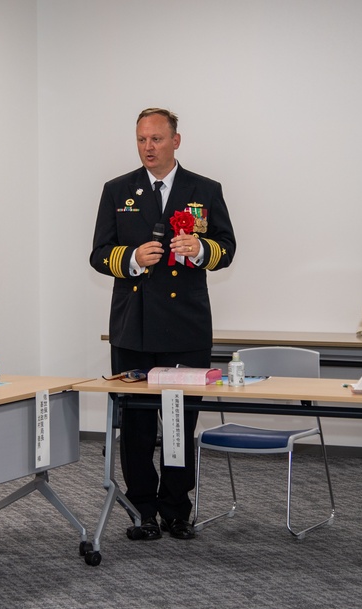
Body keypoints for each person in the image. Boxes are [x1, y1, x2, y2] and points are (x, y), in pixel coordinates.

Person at [89, 108, 236, 540]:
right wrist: (132, 259)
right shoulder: (118, 190)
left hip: (184, 328)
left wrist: (200, 248)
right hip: (133, 327)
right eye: (141, 140)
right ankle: (143, 510)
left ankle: (176, 508)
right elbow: (99, 254)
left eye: (156, 139)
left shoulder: (204, 189)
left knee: (179, 421)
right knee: (135, 427)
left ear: (176, 140)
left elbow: (226, 248)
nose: (148, 147)